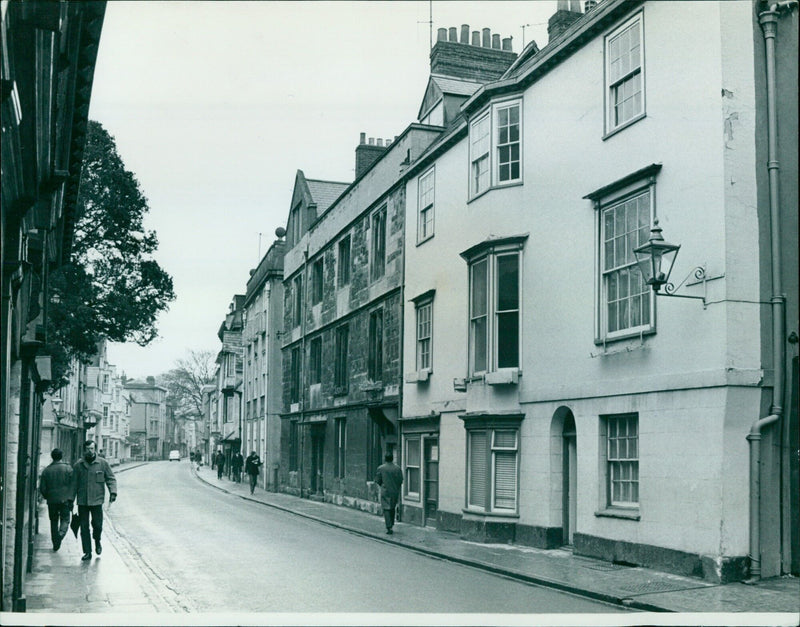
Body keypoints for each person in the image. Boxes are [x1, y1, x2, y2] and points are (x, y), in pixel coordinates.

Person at [73, 440, 117, 561]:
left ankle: (97, 540)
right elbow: (73, 484)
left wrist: (113, 492)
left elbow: (111, 478)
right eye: (87, 449)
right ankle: (87, 551)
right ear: (84, 450)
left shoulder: (102, 464)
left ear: (95, 449)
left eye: (92, 449)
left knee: (97, 525)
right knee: (84, 527)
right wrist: (70, 500)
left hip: (97, 500)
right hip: (83, 501)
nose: (90, 451)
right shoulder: (78, 465)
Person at [39, 448, 74, 551]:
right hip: (65, 500)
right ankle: (60, 534)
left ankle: (55, 543)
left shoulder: (47, 470)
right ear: (61, 456)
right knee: (65, 519)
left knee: (53, 521)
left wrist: (47, 496)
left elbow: (42, 488)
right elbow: (73, 484)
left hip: (52, 500)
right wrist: (70, 497)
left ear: (52, 456)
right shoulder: (68, 469)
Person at [375, 452, 403, 534]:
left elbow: (378, 480)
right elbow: (400, 480)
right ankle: (392, 523)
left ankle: (389, 526)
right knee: (392, 507)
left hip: (385, 491)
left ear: (385, 459)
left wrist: (383, 486)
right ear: (392, 459)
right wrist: (395, 487)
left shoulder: (381, 468)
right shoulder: (397, 468)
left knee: (386, 508)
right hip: (394, 491)